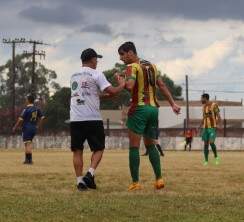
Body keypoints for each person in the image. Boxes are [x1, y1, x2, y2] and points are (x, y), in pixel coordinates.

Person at [118, 42, 180, 191]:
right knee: (151, 144)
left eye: (122, 54)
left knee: (134, 146)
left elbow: (130, 86)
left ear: (130, 53)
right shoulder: (152, 66)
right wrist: (173, 104)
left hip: (139, 109)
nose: (121, 58)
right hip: (153, 109)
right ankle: (159, 179)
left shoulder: (132, 67)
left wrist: (121, 82)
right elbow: (162, 85)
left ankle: (135, 182)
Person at [70, 48, 125, 191]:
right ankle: (90, 173)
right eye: (96, 59)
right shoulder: (96, 74)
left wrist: (106, 96)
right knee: (99, 148)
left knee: (77, 150)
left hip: (75, 118)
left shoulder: (73, 75)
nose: (97, 62)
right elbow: (112, 90)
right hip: (92, 118)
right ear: (92, 59)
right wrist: (122, 85)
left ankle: (79, 181)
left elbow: (90, 95)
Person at [12, 94, 45, 164]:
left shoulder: (26, 109)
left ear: (28, 100)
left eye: (26, 99)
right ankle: (29, 160)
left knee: (27, 144)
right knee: (29, 143)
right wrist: (38, 126)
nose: (25, 100)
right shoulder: (37, 108)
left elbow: (20, 119)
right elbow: (42, 117)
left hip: (27, 128)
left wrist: (15, 127)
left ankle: (28, 160)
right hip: (33, 128)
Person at [200, 93, 222, 166]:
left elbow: (218, 115)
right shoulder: (203, 107)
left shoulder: (214, 105)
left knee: (211, 142)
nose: (200, 100)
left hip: (212, 127)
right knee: (205, 144)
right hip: (205, 128)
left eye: (201, 98)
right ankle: (206, 160)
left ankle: (216, 157)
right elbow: (204, 117)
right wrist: (200, 125)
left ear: (205, 98)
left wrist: (220, 125)